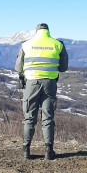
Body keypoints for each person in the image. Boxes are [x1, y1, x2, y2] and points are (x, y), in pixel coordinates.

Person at [15, 23, 69, 160]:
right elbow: (63, 67)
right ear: (48, 31)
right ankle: (48, 151)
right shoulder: (58, 44)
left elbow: (18, 67)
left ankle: (25, 151)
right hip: (50, 84)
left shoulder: (26, 44)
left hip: (31, 84)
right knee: (48, 117)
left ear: (36, 31)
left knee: (29, 117)